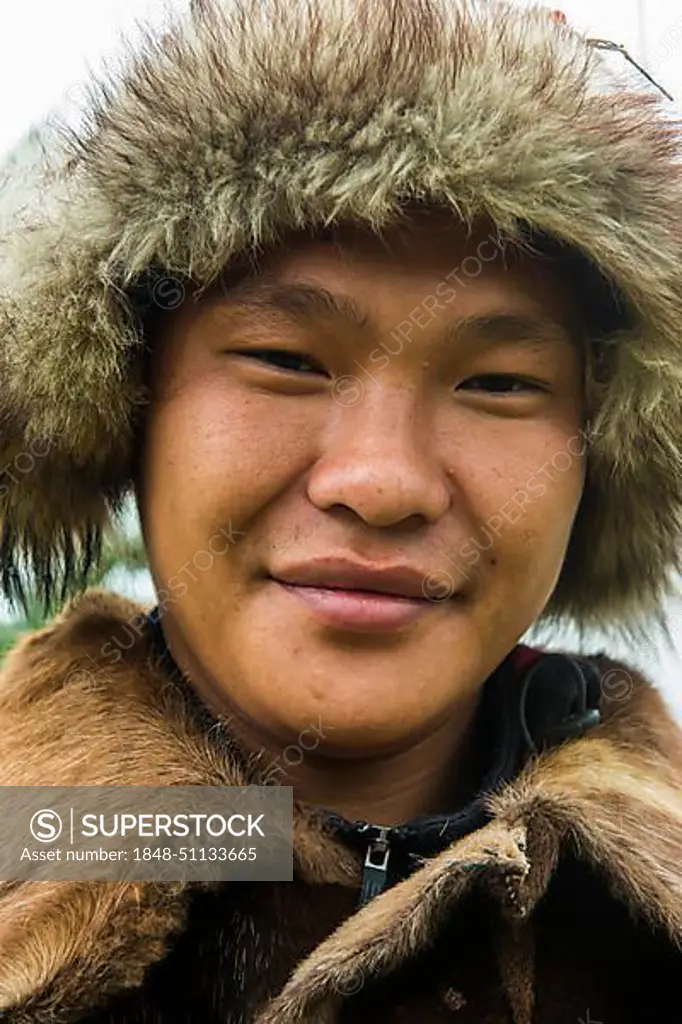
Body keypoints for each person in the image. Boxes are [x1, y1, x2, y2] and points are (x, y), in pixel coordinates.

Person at [0, 0, 681, 1020]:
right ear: (123, 405)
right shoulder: (26, 847)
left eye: (497, 382)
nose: (381, 481)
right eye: (285, 360)